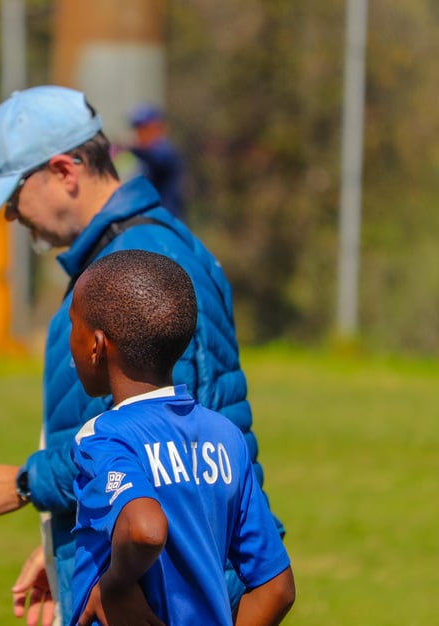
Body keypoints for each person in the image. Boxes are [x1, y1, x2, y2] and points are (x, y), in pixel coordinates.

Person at [0, 85, 284, 624]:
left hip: (169, 596)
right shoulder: (117, 256)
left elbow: (174, 442)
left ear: (64, 171)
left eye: (13, 198)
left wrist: (24, 483)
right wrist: (78, 547)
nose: (12, 217)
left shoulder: (143, 262)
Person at [68, 249, 294, 626]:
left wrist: (116, 585)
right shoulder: (225, 436)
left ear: (97, 345)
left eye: (71, 325)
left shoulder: (105, 437)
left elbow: (145, 529)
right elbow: (277, 587)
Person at [127, 103, 186, 221]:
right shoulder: (142, 155)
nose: (140, 133)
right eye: (138, 128)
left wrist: (129, 148)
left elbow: (158, 159)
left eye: (145, 128)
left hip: (168, 221)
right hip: (149, 220)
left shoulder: (165, 150)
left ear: (158, 127)